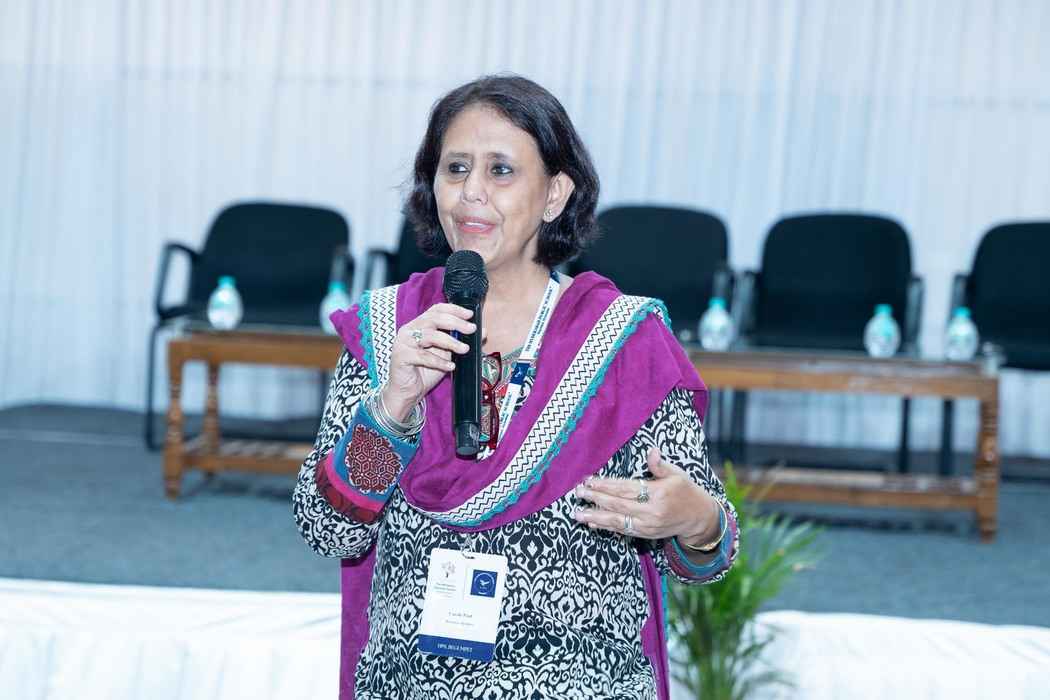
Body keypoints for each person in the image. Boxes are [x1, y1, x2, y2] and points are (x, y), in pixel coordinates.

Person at [293, 74, 738, 700]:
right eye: (455, 168)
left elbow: (706, 554)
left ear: (555, 193)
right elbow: (328, 530)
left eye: (500, 170)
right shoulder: (390, 329)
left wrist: (698, 522)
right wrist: (391, 408)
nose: (471, 192)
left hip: (582, 683)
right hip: (412, 682)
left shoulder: (623, 342)